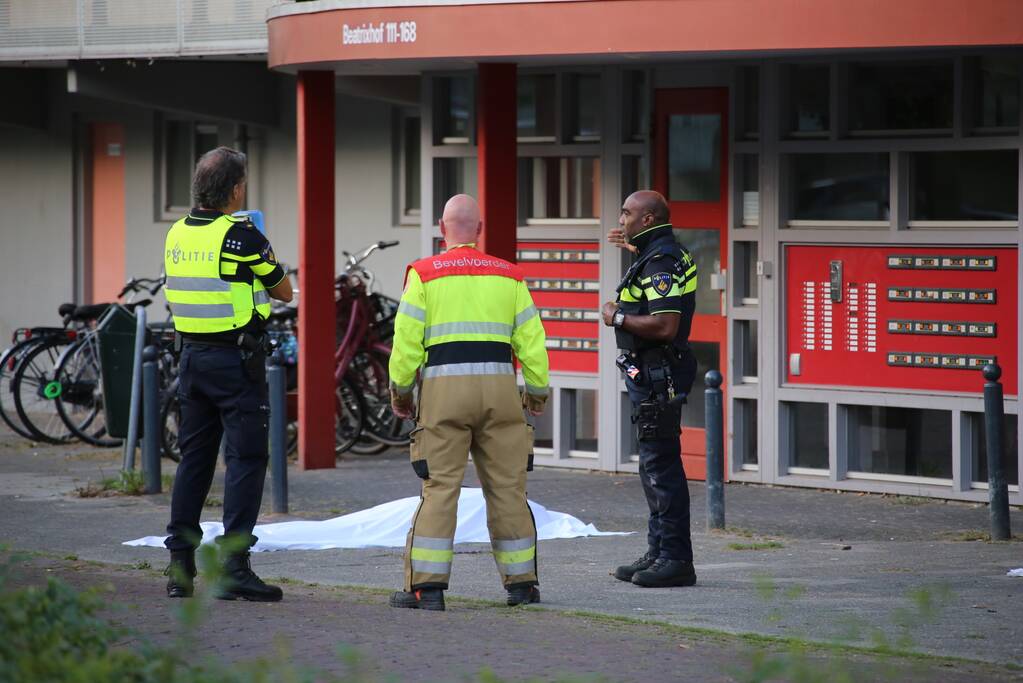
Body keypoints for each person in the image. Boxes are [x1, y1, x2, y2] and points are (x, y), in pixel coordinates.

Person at [387, 194, 549, 611]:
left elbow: (406, 345)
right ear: (478, 230)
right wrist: (536, 393)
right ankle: (522, 585)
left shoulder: (423, 276)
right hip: (499, 395)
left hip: (444, 396)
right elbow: (532, 344)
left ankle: (427, 589)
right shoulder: (511, 278)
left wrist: (401, 394)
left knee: (440, 489)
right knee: (509, 489)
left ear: (443, 229)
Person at [163, 146, 293, 601]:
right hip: (236, 363)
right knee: (246, 460)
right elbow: (285, 290)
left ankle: (180, 567)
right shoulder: (242, 236)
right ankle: (235, 566)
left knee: (194, 461)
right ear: (236, 190)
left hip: (191, 360)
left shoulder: (176, 233)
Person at [602, 190, 698, 588]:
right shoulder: (659, 252)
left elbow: (664, 325)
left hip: (658, 375)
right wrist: (636, 247)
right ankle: (659, 550)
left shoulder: (660, 260)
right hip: (652, 374)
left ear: (648, 218)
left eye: (627, 213)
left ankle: (675, 558)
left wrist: (616, 316)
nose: (620, 219)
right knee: (652, 466)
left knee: (661, 468)